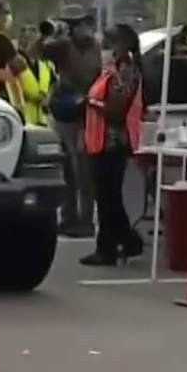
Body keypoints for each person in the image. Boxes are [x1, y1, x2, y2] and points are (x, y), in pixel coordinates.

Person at [80, 24, 144, 266]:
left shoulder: (126, 70)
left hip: (114, 142)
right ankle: (126, 242)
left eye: (109, 43)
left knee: (108, 198)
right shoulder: (111, 70)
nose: (105, 48)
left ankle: (110, 247)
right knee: (107, 197)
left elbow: (117, 110)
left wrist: (91, 103)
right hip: (100, 141)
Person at [38, 8, 101, 238]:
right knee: (66, 169)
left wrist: (66, 48)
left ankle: (85, 220)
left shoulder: (91, 48)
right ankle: (68, 217)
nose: (81, 29)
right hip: (63, 112)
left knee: (82, 169)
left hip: (84, 113)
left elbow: (87, 74)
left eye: (82, 24)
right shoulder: (63, 46)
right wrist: (50, 37)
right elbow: (37, 52)